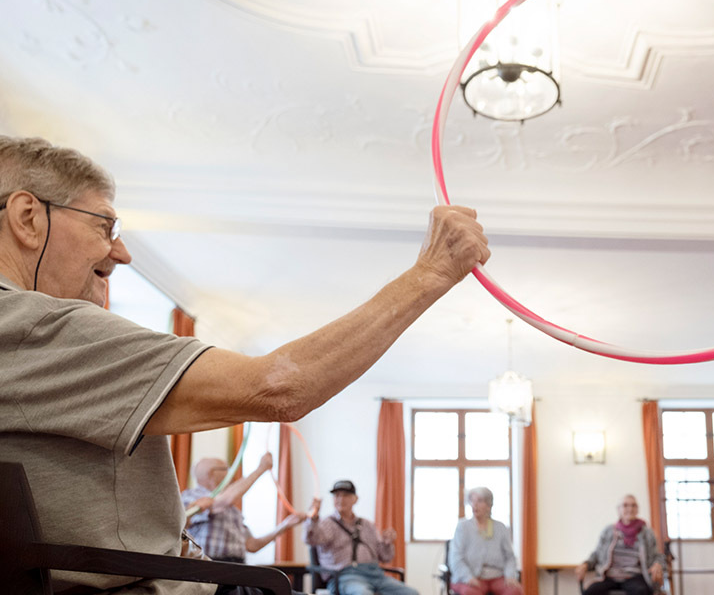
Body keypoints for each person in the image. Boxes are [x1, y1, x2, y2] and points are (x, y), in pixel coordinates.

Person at [0, 135, 489, 594]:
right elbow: (280, 388)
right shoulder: (34, 326)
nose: (122, 252)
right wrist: (431, 272)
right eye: (104, 225)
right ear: (28, 219)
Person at [181, 452, 315, 566]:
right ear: (212, 473)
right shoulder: (191, 497)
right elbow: (220, 502)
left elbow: (252, 545)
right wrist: (260, 469)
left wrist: (285, 525)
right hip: (208, 567)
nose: (231, 474)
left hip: (237, 567)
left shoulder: (232, 510)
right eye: (227, 469)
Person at [304, 480, 415, 595]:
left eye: (346, 495)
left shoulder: (368, 525)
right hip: (345, 576)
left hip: (375, 574)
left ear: (355, 499)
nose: (341, 499)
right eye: (337, 495)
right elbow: (311, 539)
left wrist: (387, 543)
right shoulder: (327, 523)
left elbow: (386, 557)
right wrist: (313, 519)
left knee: (411, 593)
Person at [576, 495, 665, 595]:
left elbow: (657, 555)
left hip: (634, 576)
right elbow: (597, 554)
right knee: (590, 592)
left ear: (637, 509)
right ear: (618, 510)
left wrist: (658, 565)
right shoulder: (608, 531)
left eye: (633, 505)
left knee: (642, 591)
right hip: (609, 577)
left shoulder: (647, 533)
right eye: (625, 505)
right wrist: (586, 564)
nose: (630, 509)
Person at [448, 487, 522, 595]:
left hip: (497, 576)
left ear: (489, 505)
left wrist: (510, 575)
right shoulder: (463, 527)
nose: (475, 505)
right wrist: (468, 577)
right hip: (471, 577)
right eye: (472, 501)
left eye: (479, 501)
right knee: (471, 593)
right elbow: (456, 557)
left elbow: (509, 557)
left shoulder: (500, 527)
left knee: (515, 591)